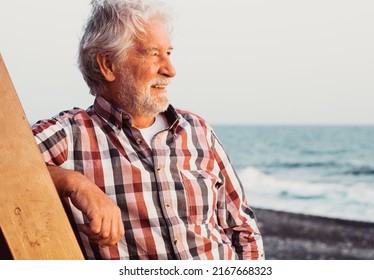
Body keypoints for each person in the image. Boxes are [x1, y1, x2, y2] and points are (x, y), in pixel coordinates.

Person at [32, 0, 264, 260]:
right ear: (108, 65)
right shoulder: (71, 134)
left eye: (169, 54)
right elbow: (8, 164)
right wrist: (74, 183)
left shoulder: (197, 129)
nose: (170, 70)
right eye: (154, 54)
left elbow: (242, 229)